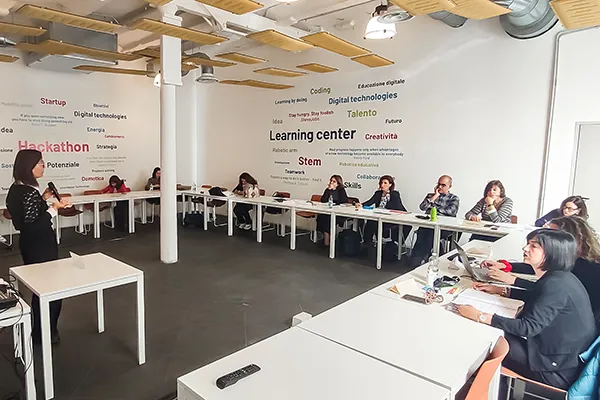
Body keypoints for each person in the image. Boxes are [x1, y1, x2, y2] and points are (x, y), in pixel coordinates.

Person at [457, 229, 596, 390]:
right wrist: (502, 290)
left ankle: (468, 385)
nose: (525, 248)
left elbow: (528, 327)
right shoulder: (561, 277)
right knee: (493, 329)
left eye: (534, 246)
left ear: (552, 253)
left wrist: (480, 316)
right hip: (563, 358)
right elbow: (538, 295)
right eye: (528, 244)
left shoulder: (555, 284)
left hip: (554, 369)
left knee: (485, 334)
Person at [6, 150, 71, 344]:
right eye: (41, 163)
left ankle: (41, 331)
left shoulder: (17, 189)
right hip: (40, 244)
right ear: (29, 166)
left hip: (30, 244)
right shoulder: (27, 192)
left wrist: (41, 199)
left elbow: (27, 217)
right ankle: (46, 332)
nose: (44, 166)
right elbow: (34, 225)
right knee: (51, 289)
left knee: (41, 288)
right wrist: (54, 208)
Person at [483, 216, 600, 322]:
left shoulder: (584, 268)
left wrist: (513, 280)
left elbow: (545, 291)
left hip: (571, 323)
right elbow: (543, 266)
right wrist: (508, 266)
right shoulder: (572, 260)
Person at [412, 175, 460, 261]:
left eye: (443, 185)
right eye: (438, 184)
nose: (440, 187)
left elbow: (451, 211)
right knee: (422, 232)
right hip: (429, 224)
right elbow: (422, 207)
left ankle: (419, 258)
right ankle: (417, 257)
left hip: (444, 226)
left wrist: (434, 208)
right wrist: (434, 197)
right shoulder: (430, 195)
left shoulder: (453, 198)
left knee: (431, 234)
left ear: (449, 186)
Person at [356, 175, 409, 246]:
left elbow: (398, 207)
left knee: (375, 223)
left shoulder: (394, 194)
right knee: (371, 221)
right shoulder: (378, 193)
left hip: (389, 218)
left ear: (390, 184)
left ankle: (393, 242)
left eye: (385, 183)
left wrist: (388, 197)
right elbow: (370, 202)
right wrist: (361, 205)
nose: (382, 185)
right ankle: (367, 242)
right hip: (378, 216)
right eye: (381, 183)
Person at [316, 175, 349, 247]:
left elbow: (344, 201)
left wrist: (335, 202)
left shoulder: (341, 190)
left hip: (339, 213)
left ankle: (327, 242)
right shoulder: (328, 190)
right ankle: (323, 237)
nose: (331, 183)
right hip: (328, 212)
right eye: (331, 181)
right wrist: (329, 190)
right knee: (320, 217)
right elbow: (323, 200)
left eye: (334, 181)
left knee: (328, 220)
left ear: (338, 183)